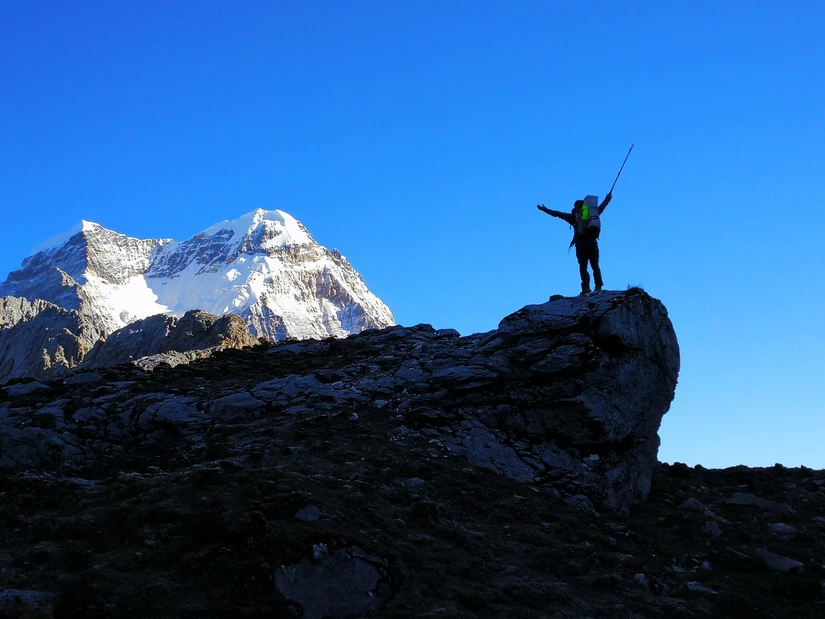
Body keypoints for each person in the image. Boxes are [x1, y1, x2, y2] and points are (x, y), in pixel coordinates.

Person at [537, 192, 612, 295]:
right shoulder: (592, 213)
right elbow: (602, 206)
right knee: (594, 265)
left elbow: (558, 214)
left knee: (583, 267)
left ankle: (586, 288)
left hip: (580, 245)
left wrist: (545, 210)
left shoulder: (573, 217)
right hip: (592, 243)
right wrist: (608, 198)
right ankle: (598, 286)